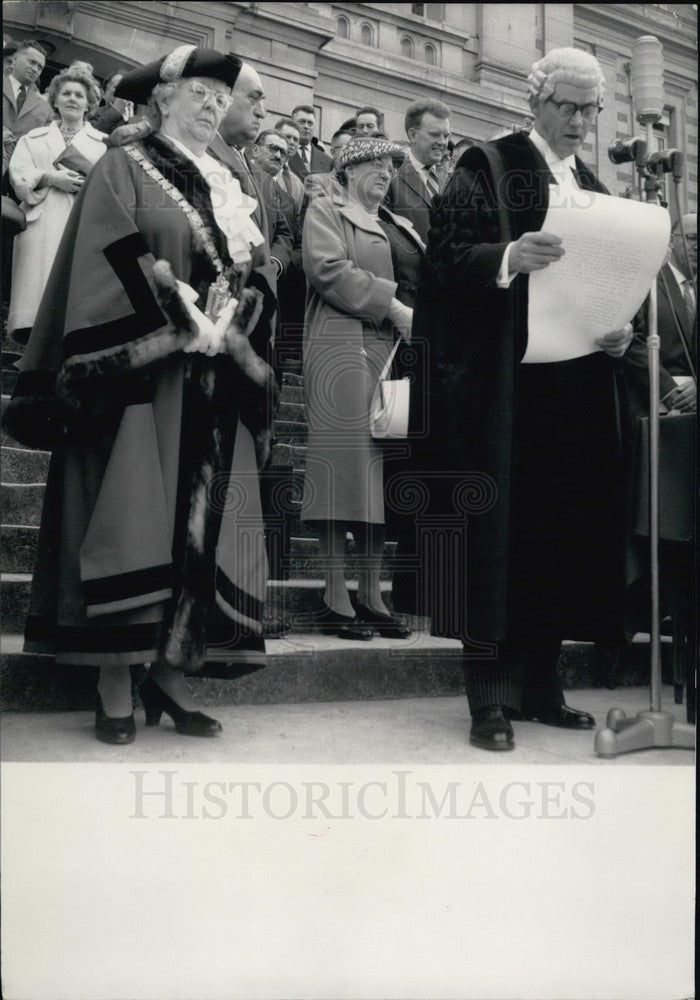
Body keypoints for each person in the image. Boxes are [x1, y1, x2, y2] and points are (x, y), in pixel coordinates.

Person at [3, 45, 278, 744]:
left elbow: (257, 269)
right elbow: (106, 252)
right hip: (142, 378)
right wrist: (176, 307)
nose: (214, 106)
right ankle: (115, 677)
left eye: (223, 97)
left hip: (213, 376)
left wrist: (237, 316)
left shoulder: (230, 180)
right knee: (134, 517)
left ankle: (171, 673)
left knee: (199, 527)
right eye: (199, 94)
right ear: (161, 99)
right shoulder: (124, 166)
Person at [409, 47, 634, 750]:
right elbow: (441, 263)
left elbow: (605, 281)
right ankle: (489, 699)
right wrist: (508, 258)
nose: (577, 119)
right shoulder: (490, 165)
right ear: (534, 103)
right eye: (564, 104)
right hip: (501, 392)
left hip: (572, 390)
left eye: (588, 108)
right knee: (496, 542)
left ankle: (542, 684)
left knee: (558, 536)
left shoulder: (595, 187)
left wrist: (619, 327)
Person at [301, 136, 423, 640]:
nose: (385, 172)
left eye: (391, 166)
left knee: (374, 478)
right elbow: (328, 270)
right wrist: (394, 306)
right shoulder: (326, 210)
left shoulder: (399, 223)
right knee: (341, 472)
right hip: (341, 345)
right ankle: (335, 597)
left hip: (388, 352)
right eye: (373, 163)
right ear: (348, 170)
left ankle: (371, 597)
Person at [7, 65, 106, 342]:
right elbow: (19, 174)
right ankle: (29, 350)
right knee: (34, 296)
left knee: (72, 297)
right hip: (40, 222)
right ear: (56, 100)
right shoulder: (33, 138)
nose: (72, 99)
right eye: (66, 94)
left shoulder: (103, 144)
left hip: (80, 223)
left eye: (79, 95)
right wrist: (50, 177)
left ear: (89, 104)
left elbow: (113, 188)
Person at [384, 98, 450, 242]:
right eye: (434, 134)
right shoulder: (391, 178)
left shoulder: (451, 181)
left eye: (446, 136)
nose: (442, 142)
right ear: (413, 135)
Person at [2, 40, 52, 143]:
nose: (35, 69)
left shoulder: (45, 108)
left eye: (40, 67)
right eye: (32, 62)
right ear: (15, 59)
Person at [288, 104, 331, 177]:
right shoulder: (282, 152)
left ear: (314, 126)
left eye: (310, 123)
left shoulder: (328, 161)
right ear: (291, 124)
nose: (306, 126)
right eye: (302, 122)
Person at [90, 69, 136, 135]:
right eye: (118, 87)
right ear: (107, 90)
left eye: (126, 89)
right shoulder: (94, 112)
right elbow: (92, 132)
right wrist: (115, 111)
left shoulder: (134, 119)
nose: (122, 92)